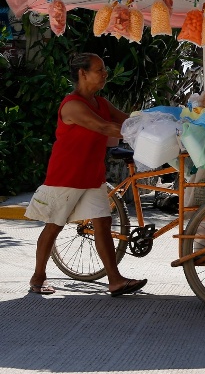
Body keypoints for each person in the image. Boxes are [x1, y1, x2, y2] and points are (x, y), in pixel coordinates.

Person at [25, 53, 147, 297]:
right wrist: (139, 133)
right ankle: (37, 278)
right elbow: (103, 127)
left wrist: (153, 124)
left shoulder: (101, 103)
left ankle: (115, 281)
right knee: (54, 227)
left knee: (102, 223)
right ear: (83, 74)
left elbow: (126, 121)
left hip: (92, 176)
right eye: (99, 70)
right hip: (66, 176)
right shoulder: (72, 105)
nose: (105, 74)